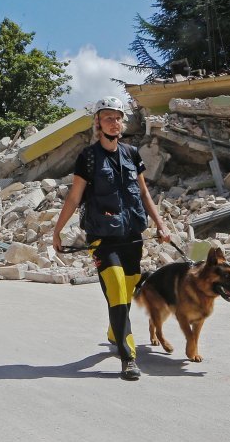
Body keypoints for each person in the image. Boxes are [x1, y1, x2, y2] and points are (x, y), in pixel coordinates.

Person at [52, 96, 171, 381]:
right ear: (98, 122)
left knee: (128, 288)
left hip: (131, 235)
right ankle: (128, 357)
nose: (114, 123)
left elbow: (143, 194)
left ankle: (114, 328)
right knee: (117, 288)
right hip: (102, 237)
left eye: (118, 118)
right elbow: (75, 196)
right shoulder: (88, 157)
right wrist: (57, 230)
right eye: (108, 118)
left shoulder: (131, 154)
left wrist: (161, 225)